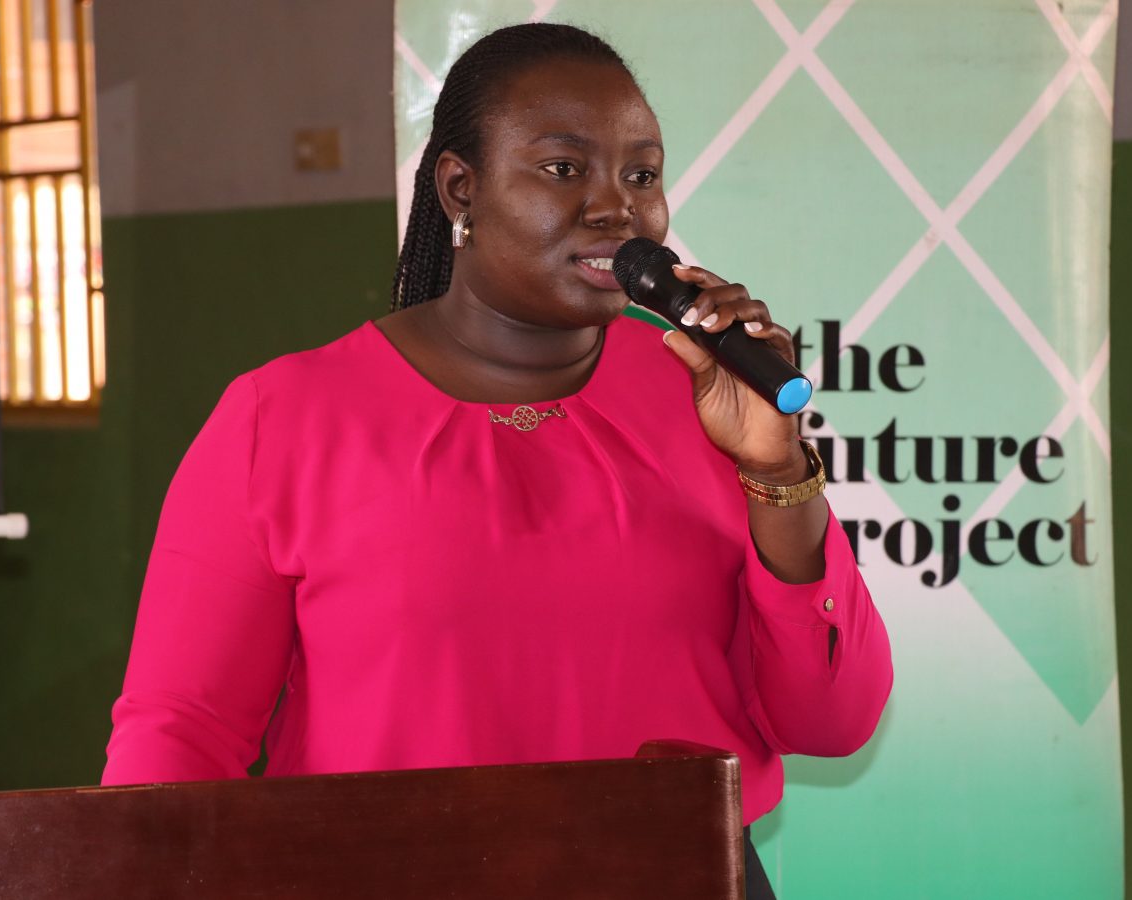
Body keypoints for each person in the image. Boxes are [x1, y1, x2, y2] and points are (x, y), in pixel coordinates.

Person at [102, 23, 892, 899]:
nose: (615, 208)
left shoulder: (707, 397)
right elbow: (182, 736)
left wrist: (778, 474)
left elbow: (833, 721)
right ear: (460, 188)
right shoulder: (285, 417)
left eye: (641, 176)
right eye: (563, 168)